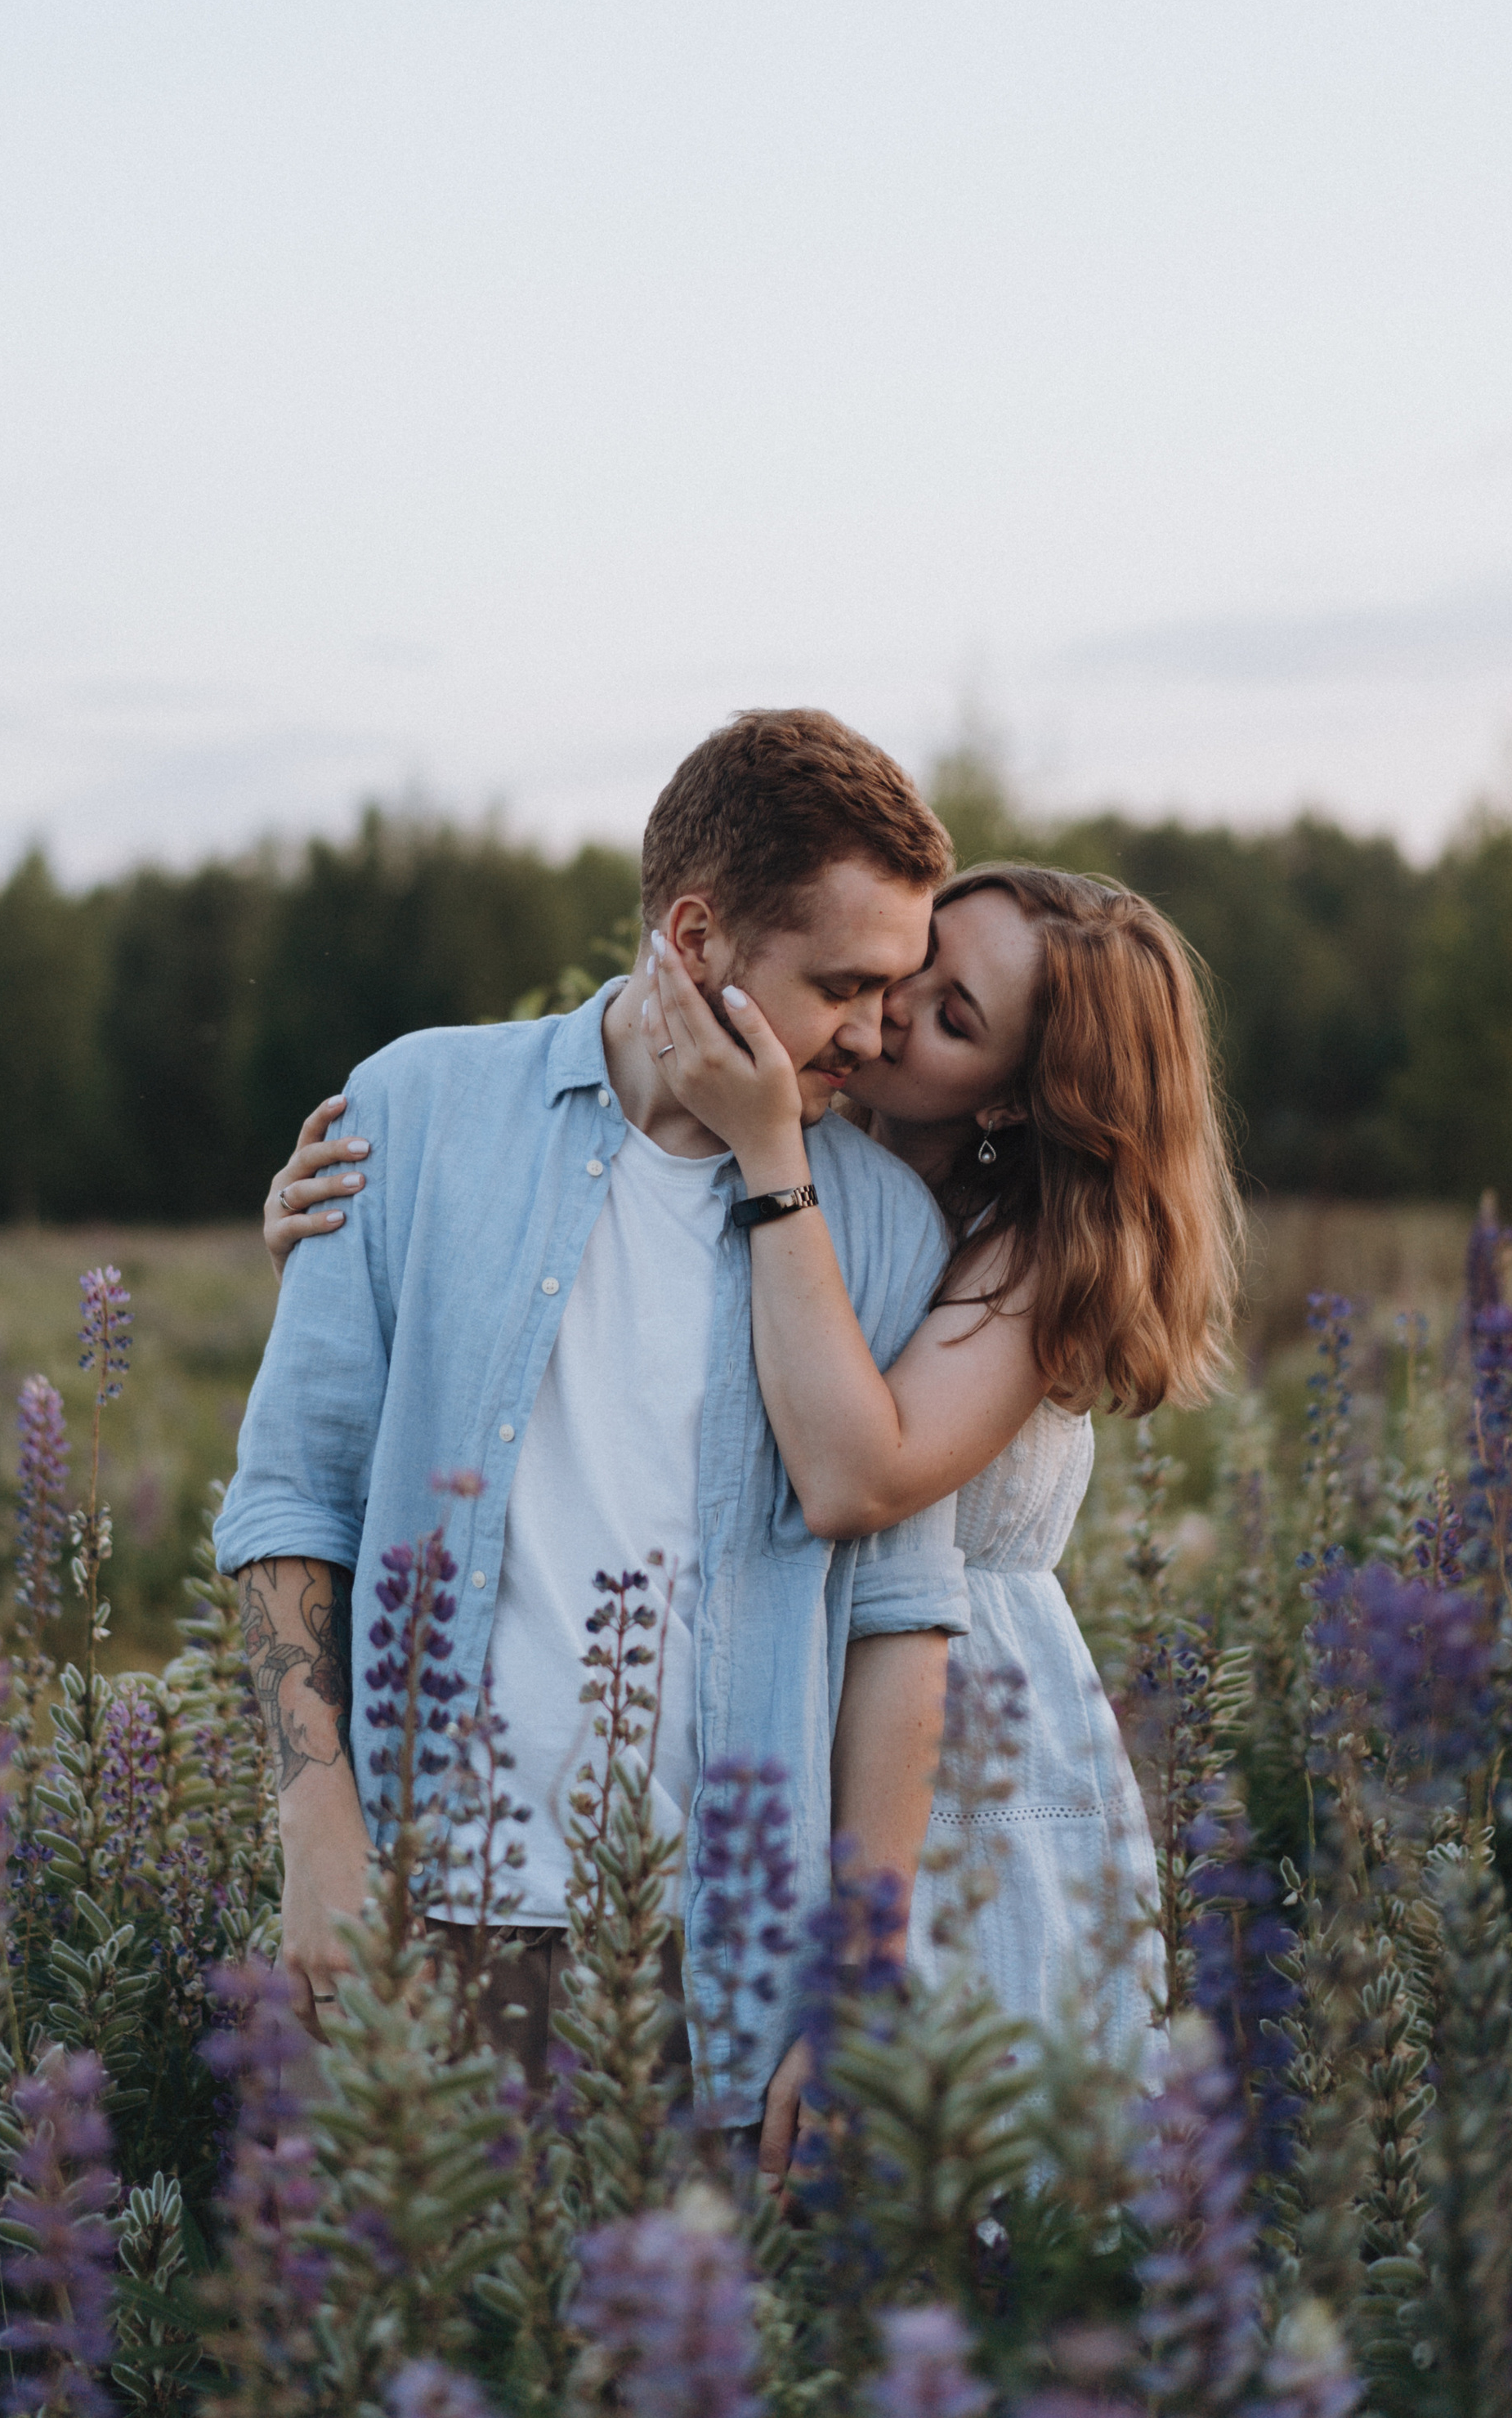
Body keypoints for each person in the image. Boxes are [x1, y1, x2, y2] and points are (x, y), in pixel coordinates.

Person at [270, 859, 1241, 2078]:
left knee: (935, 2183)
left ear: (1013, 1101)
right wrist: (357, 1261)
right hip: (772, 1711)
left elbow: (850, 1480)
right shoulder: (820, 1171)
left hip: (946, 1755)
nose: (885, 1017)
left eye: (948, 1020)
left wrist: (772, 1150)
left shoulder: (1023, 1254)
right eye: (900, 969)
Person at [214, 706, 971, 2172]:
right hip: (430, 1925)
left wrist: (854, 1975)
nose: (877, 1034)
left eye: (901, 990)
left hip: (728, 1965)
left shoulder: (877, 1227)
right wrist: (319, 1837)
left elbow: (897, 1622)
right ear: (696, 936)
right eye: (845, 986)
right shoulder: (414, 1112)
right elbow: (292, 1500)